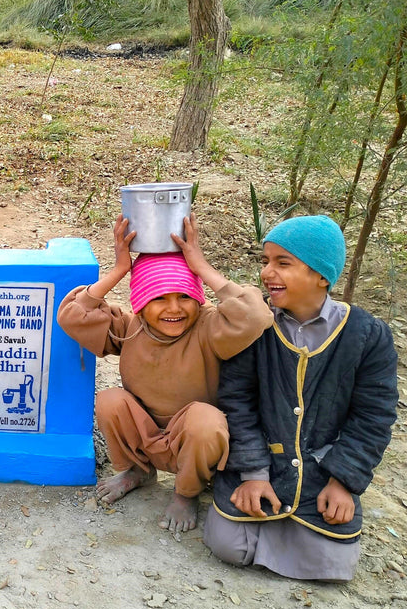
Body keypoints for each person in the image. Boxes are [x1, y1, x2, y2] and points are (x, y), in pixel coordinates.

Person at [204, 215, 398, 580]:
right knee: (227, 544)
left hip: (322, 471)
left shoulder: (368, 335)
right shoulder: (256, 324)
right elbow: (236, 401)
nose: (266, 273)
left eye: (283, 263)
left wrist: (343, 482)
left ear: (322, 275)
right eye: (265, 261)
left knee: (330, 565)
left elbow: (374, 416)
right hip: (261, 460)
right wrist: (254, 474)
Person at [57, 214, 274, 533]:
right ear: (141, 305)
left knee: (204, 418)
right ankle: (137, 471)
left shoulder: (210, 328)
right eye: (159, 298)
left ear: (199, 301)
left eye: (184, 297)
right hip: (146, 439)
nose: (174, 309)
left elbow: (255, 316)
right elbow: (72, 316)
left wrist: (200, 266)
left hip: (195, 445)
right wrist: (119, 271)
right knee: (110, 400)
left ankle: (187, 492)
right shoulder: (130, 329)